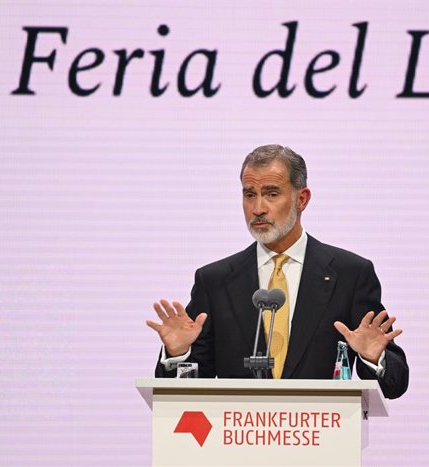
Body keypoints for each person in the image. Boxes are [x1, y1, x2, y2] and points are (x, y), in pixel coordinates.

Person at [146, 144, 409, 399]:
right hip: (237, 438)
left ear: (301, 199)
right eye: (249, 194)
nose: (258, 208)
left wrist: (373, 357)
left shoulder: (350, 275)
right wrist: (178, 353)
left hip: (321, 438)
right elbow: (183, 392)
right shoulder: (215, 281)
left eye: (271, 193)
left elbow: (394, 385)